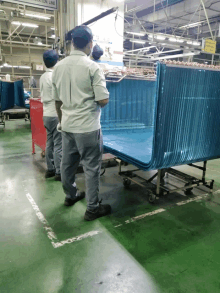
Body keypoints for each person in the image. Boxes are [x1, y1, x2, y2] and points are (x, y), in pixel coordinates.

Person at [52, 25, 111, 221]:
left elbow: (58, 101)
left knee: (67, 165)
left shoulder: (58, 67)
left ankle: (71, 195)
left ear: (71, 43)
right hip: (87, 127)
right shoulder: (93, 67)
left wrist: (62, 122)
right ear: (89, 44)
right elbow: (103, 100)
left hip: (67, 125)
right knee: (91, 168)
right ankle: (92, 208)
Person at [40, 50, 62, 181]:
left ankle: (50, 169)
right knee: (59, 145)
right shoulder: (55, 76)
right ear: (57, 61)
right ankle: (59, 172)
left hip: (46, 114)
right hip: (55, 114)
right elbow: (60, 96)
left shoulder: (43, 76)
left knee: (49, 143)